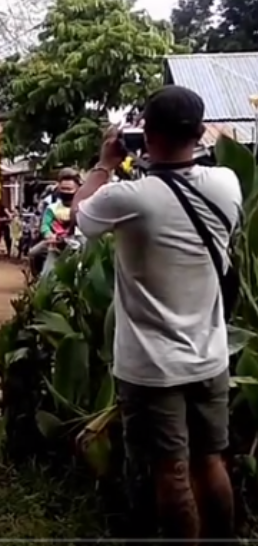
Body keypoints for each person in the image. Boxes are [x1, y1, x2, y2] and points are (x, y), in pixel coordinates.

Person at [72, 85, 241, 543]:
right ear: (200, 133)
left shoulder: (127, 197)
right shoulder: (227, 184)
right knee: (211, 462)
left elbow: (79, 214)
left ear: (145, 132)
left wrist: (106, 164)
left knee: (171, 471)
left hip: (152, 368)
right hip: (210, 359)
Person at [28, 169, 80, 278]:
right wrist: (49, 235)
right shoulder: (52, 208)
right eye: (63, 189)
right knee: (33, 255)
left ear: (77, 189)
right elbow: (45, 225)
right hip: (55, 244)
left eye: (69, 189)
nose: (66, 192)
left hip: (79, 245)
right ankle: (37, 280)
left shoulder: (83, 207)